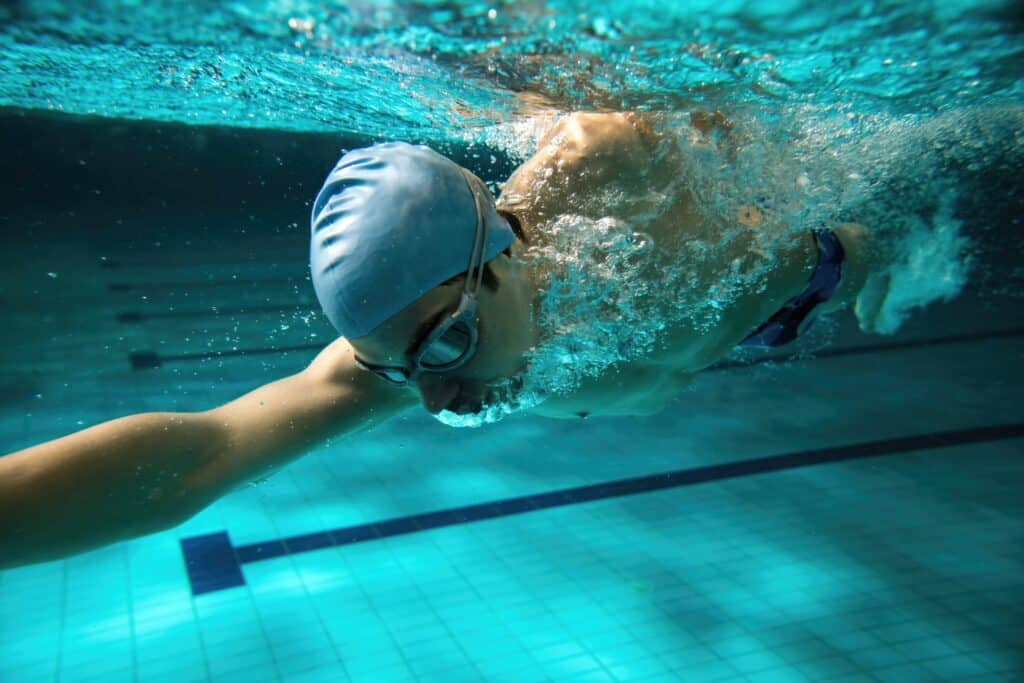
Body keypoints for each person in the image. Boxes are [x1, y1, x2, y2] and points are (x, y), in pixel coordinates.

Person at [0, 111, 897, 569]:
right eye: (396, 369)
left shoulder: (622, 169)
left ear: (497, 263)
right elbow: (204, 453)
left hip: (812, 273)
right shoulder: (414, 350)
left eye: (443, 347)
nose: (436, 401)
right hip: (716, 337)